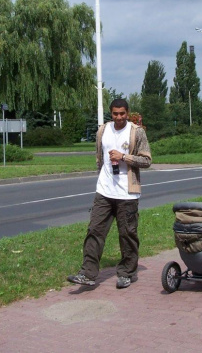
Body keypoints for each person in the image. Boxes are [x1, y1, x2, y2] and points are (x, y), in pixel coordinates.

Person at [67, 99, 152, 289]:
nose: (119, 117)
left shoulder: (136, 132)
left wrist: (124, 157)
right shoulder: (102, 131)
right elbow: (100, 158)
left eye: (122, 113)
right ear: (110, 114)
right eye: (115, 114)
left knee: (127, 234)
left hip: (127, 194)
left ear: (127, 113)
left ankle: (127, 273)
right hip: (104, 191)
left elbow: (147, 161)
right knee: (94, 230)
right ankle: (87, 273)